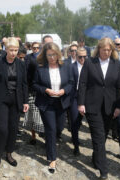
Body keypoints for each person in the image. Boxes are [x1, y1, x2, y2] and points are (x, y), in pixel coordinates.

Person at [78, 37, 120, 179]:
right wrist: (81, 103)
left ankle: (95, 157)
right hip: (92, 105)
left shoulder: (116, 64)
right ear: (98, 49)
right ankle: (104, 172)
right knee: (98, 137)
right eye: (104, 49)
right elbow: (83, 83)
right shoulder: (90, 62)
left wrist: (119, 107)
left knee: (102, 136)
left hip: (110, 107)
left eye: (109, 49)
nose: (106, 52)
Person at [0, 37, 29, 174]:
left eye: (16, 50)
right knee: (2, 129)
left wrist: (25, 101)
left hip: (16, 100)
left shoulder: (21, 64)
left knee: (13, 128)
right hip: (1, 100)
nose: (13, 53)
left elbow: (24, 84)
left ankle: (9, 153)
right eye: (11, 50)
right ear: (6, 49)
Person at [33, 42, 73, 173]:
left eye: (54, 55)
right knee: (50, 129)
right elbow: (34, 85)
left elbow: (71, 83)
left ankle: (51, 143)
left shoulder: (66, 66)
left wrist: (64, 91)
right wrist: (45, 90)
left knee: (59, 127)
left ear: (58, 54)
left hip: (61, 102)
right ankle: (52, 158)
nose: (51, 57)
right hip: (47, 102)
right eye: (49, 55)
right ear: (45, 55)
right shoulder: (40, 68)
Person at [23, 42, 44, 145]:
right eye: (34, 48)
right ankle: (33, 136)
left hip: (43, 90)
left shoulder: (44, 58)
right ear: (31, 48)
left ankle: (43, 133)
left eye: (37, 48)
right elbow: (26, 74)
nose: (35, 49)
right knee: (32, 114)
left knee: (42, 114)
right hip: (31, 89)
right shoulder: (28, 58)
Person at [69, 47, 87, 156]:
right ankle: (76, 145)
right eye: (80, 57)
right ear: (76, 56)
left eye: (85, 57)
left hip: (87, 98)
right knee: (75, 121)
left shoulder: (91, 67)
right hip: (74, 97)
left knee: (80, 121)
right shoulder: (71, 67)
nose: (83, 59)